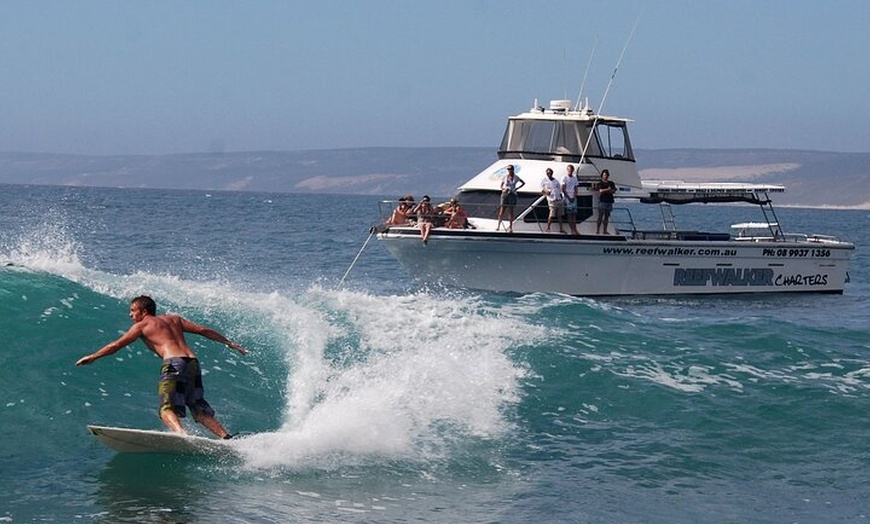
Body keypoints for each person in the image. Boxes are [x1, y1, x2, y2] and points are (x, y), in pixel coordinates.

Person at [76, 295, 248, 439]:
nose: (130, 315)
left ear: (143, 312)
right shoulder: (174, 319)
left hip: (174, 363)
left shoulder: (142, 325)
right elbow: (203, 330)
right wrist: (228, 343)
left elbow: (116, 345)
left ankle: (182, 434)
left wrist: (93, 356)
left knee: (166, 408)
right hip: (192, 362)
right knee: (197, 406)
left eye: (132, 311)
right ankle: (226, 437)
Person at [497, 165, 525, 232]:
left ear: (513, 169)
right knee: (502, 211)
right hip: (505, 194)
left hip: (512, 194)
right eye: (508, 169)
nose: (509, 170)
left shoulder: (516, 177)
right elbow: (501, 185)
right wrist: (503, 189)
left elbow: (523, 183)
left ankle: (510, 227)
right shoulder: (505, 177)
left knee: (511, 211)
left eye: (510, 169)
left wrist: (517, 188)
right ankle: (498, 226)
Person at [540, 167, 565, 233]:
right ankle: (548, 228)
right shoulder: (544, 180)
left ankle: (561, 229)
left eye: (550, 173)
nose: (549, 174)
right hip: (552, 200)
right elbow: (541, 189)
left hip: (558, 199)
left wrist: (561, 196)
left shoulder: (556, 180)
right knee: (551, 215)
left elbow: (559, 190)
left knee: (560, 215)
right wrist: (546, 193)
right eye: (548, 173)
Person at [596, 169, 617, 234]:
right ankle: (598, 230)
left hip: (609, 201)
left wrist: (607, 191)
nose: (605, 176)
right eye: (604, 175)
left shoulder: (611, 183)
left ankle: (605, 230)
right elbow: (600, 191)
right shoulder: (600, 183)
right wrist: (608, 189)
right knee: (600, 216)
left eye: (606, 175)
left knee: (607, 216)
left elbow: (613, 191)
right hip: (602, 201)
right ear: (602, 176)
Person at [562, 164, 579, 235]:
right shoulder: (564, 177)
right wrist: (569, 197)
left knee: (574, 215)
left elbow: (576, 188)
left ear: (573, 170)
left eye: (571, 170)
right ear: (567, 170)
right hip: (567, 198)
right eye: (569, 170)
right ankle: (572, 230)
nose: (570, 171)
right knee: (569, 215)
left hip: (573, 198)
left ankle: (575, 229)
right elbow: (563, 189)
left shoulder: (574, 178)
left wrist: (574, 197)